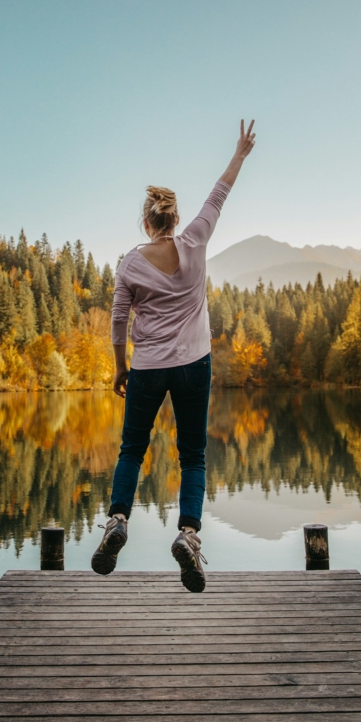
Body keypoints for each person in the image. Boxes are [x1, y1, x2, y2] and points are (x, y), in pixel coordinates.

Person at [91, 120, 256, 592]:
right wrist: (240, 153)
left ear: (146, 222)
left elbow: (118, 321)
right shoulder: (196, 240)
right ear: (175, 220)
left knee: (132, 449)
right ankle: (188, 535)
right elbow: (219, 194)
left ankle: (117, 522)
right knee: (193, 456)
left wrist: (120, 367)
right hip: (193, 366)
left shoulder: (130, 263)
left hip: (146, 368)